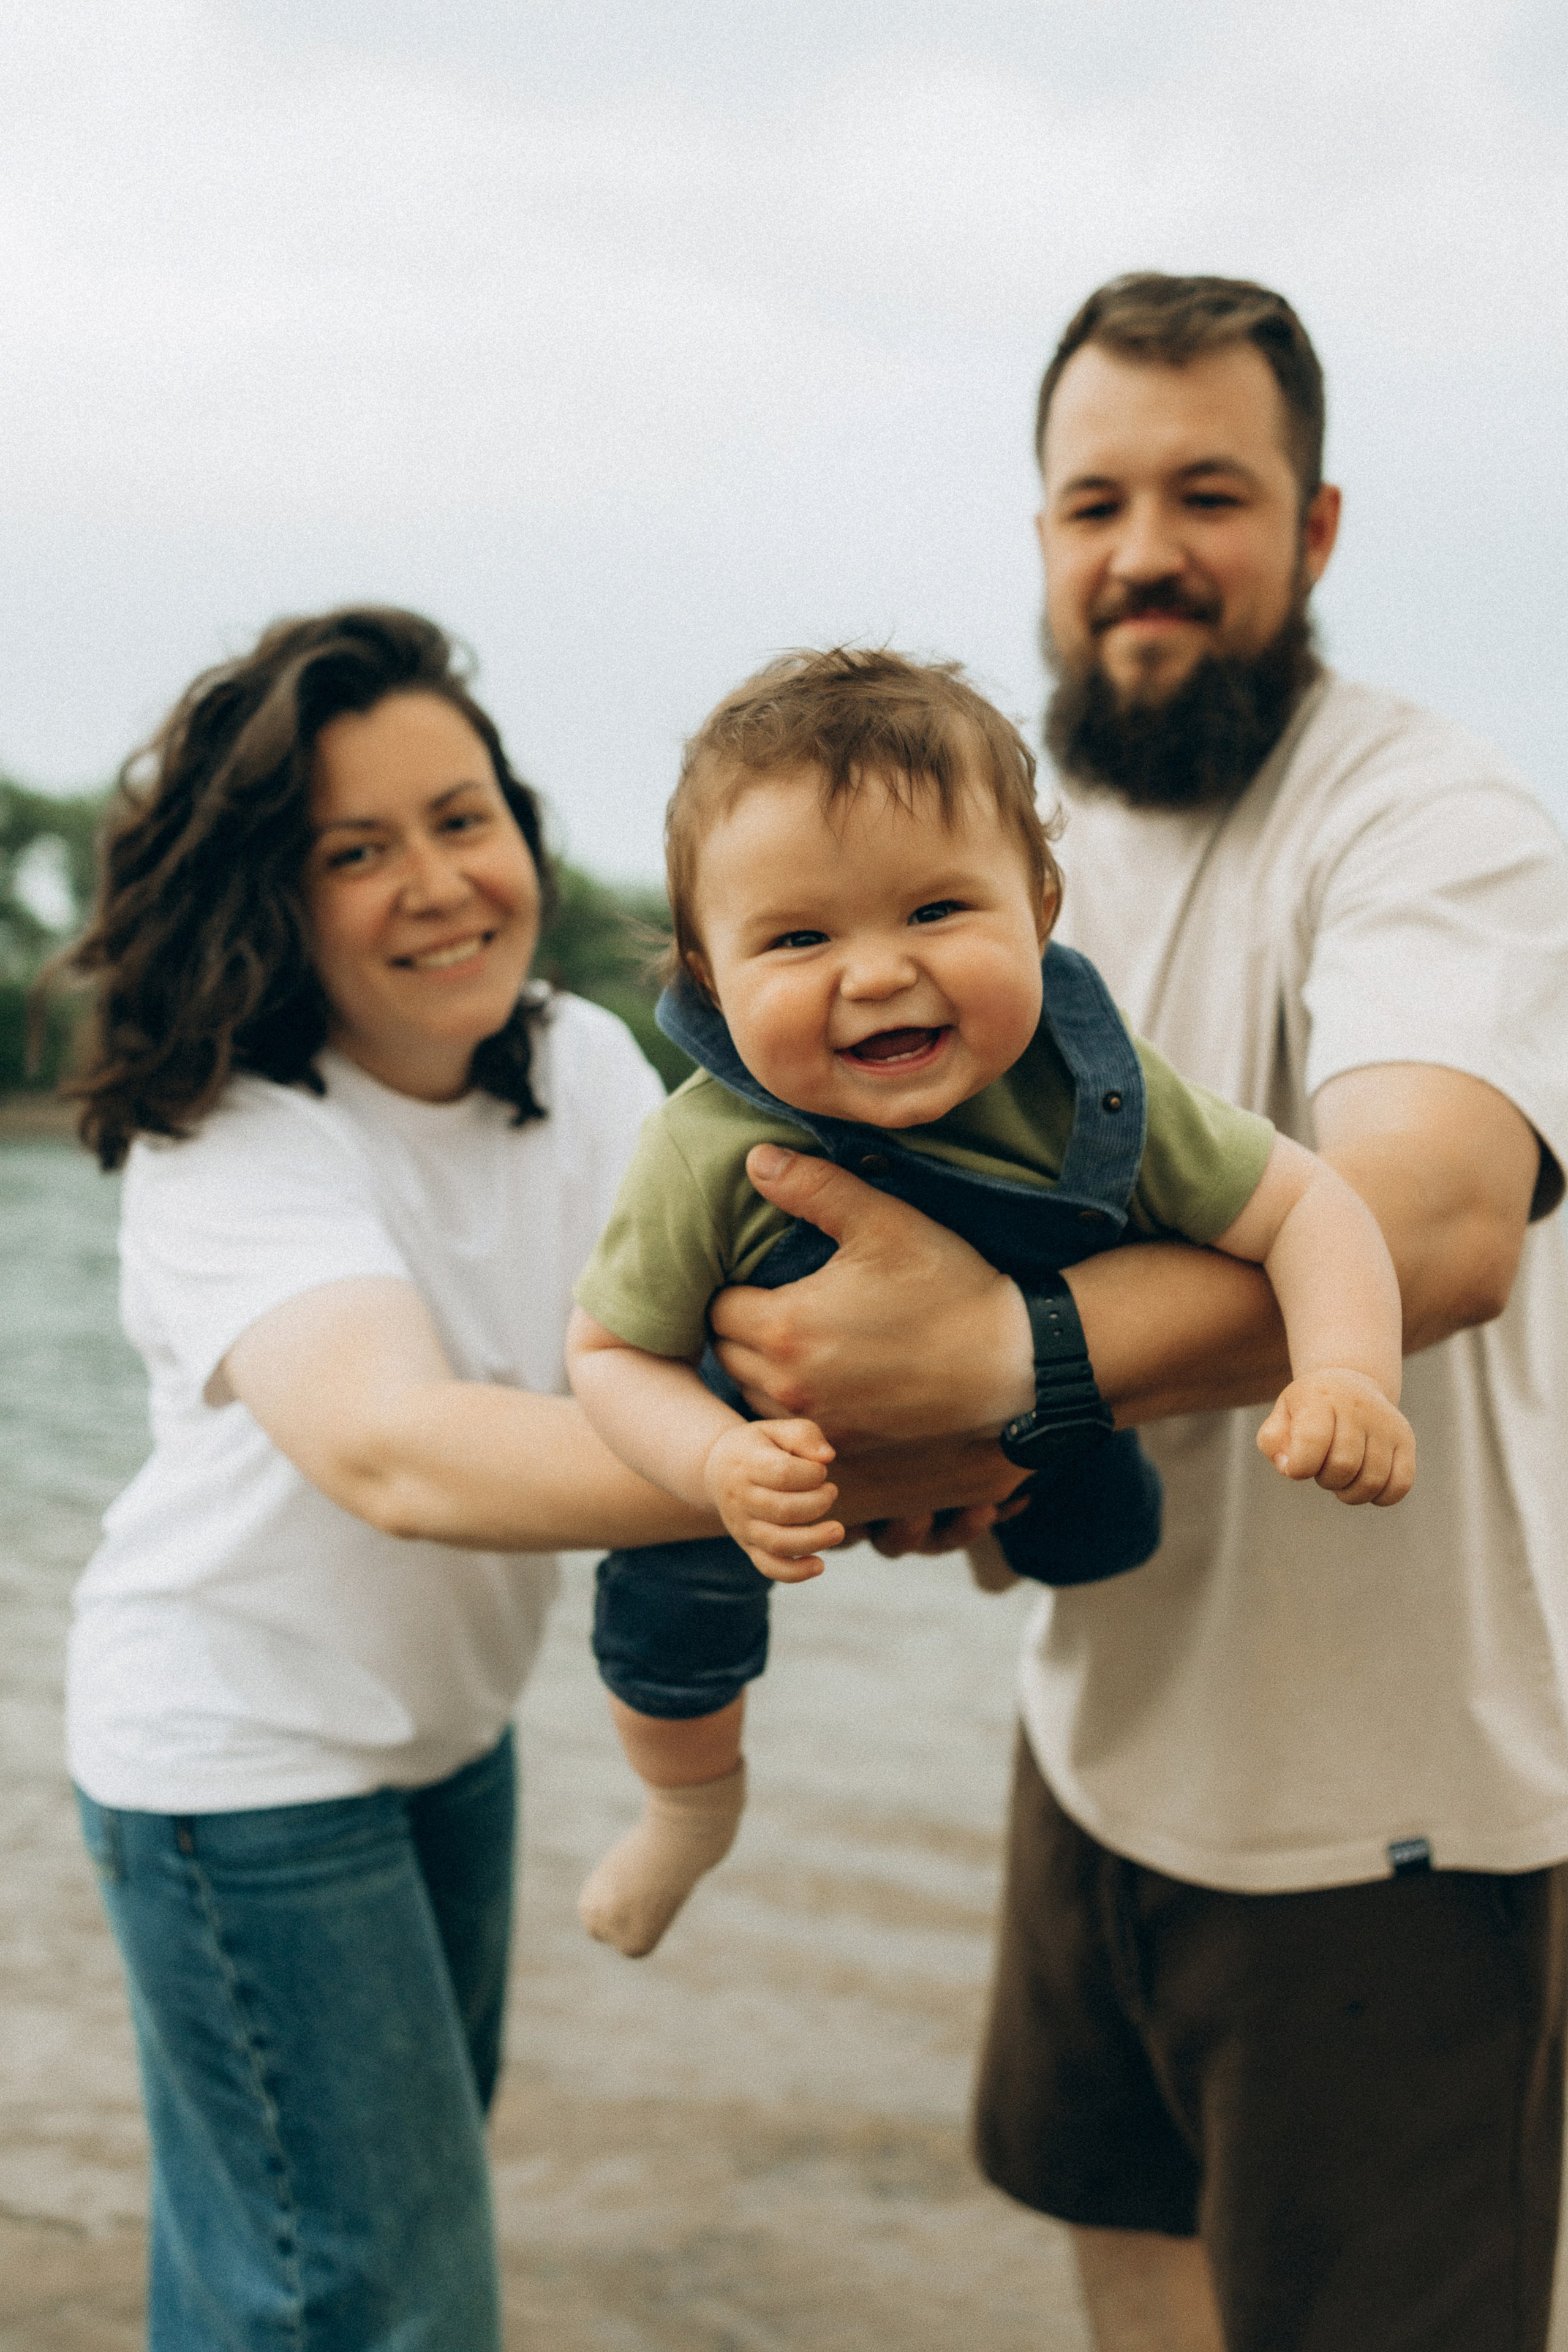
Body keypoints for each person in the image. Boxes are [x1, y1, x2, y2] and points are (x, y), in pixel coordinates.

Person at [692, 277, 1568, 2352]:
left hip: (1392, 1824)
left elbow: (1436, 1225)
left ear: (1319, 530)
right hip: (1096, 1749)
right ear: (1043, 538)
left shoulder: (1430, 823)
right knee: (1130, 2298)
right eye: (1096, 500)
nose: (1146, 548)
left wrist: (1003, 1369)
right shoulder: (1018, 863)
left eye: (1211, 494)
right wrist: (927, 1454)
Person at [58, 606, 1012, 2352]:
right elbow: (399, 1452)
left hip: (440, 1740)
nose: (437, 882)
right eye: (358, 850)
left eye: (461, 818)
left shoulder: (575, 1061)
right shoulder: (231, 1134)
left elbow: (719, 1332)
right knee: (375, 2298)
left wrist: (958, 1438)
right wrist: (790, 1469)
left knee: (291, 2261)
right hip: (237, 1766)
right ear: (274, 892)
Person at [565, 645, 1414, 1962]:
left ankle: (989, 1531)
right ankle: (689, 1809)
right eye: (797, 938)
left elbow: (1308, 1206)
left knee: (1103, 1538)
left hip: (1027, 1410)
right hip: (771, 1452)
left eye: (935, 911)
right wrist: (714, 1458)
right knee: (670, 1604)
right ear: (706, 974)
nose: (875, 973)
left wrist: (1348, 1372)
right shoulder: (703, 1148)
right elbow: (607, 1351)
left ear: (1039, 903)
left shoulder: (1096, 1089)